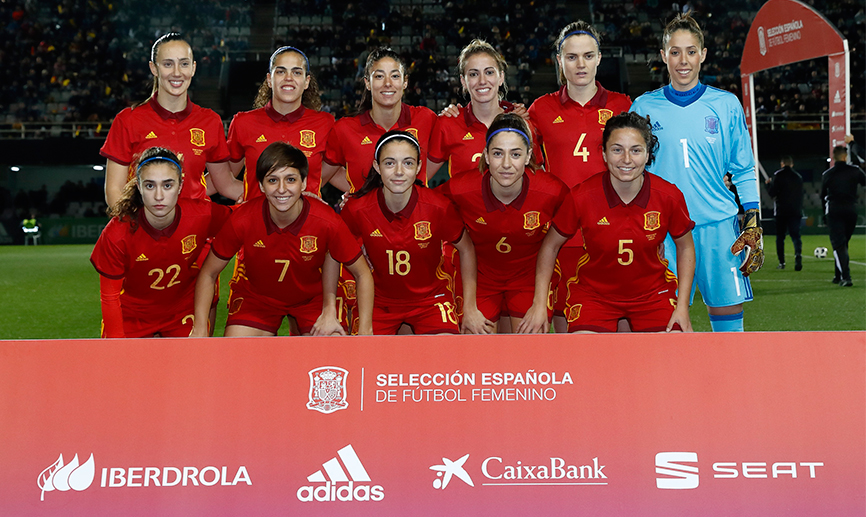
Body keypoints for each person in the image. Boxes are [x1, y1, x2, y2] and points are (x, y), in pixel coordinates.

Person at [631, 13, 762, 332]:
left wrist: (753, 221)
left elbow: (744, 169)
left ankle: (732, 382)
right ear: (663, 56)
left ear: (703, 54)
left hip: (718, 226)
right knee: (666, 324)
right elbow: (632, 173)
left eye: (691, 51)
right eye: (675, 52)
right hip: (664, 231)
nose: (683, 60)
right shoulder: (643, 108)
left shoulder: (726, 104)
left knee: (728, 323)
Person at [519, 112, 695, 333]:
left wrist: (682, 307)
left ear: (648, 153)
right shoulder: (582, 196)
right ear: (603, 153)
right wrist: (539, 303)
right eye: (617, 150)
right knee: (586, 358)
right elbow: (550, 245)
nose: (627, 159)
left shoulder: (668, 195)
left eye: (636, 150)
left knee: (669, 355)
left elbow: (685, 245)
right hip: (594, 295)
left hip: (652, 295)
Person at [190, 142, 374, 337]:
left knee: (331, 354)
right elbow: (209, 273)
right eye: (272, 180)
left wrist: (365, 332)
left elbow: (362, 274)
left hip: (312, 300)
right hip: (257, 299)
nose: (281, 189)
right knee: (238, 356)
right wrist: (200, 328)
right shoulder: (243, 219)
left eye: (291, 179)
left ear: (303, 183)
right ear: (261, 185)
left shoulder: (327, 220)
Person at [527, 21, 632, 332]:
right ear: (559, 60)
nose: (580, 64)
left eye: (588, 56)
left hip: (614, 232)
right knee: (565, 322)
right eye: (571, 57)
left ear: (599, 58)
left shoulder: (622, 105)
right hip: (564, 236)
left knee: (622, 322)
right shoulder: (540, 109)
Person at [341, 131, 489, 334]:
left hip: (430, 299)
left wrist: (470, 308)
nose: (399, 171)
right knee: (366, 359)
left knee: (446, 359)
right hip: (379, 301)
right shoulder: (357, 208)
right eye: (390, 163)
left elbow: (466, 249)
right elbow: (334, 252)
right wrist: (329, 307)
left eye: (408, 163)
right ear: (377, 166)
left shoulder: (438, 207)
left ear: (419, 167)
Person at [439, 113, 568, 332]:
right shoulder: (461, 188)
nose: (506, 164)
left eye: (515, 154)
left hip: (529, 275)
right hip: (479, 276)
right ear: (486, 155)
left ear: (528, 156)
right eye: (498, 153)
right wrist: (469, 308)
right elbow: (423, 207)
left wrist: (539, 304)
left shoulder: (552, 191)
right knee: (475, 341)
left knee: (531, 341)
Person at [90, 147, 231, 338]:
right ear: (139, 187)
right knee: (120, 366)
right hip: (133, 315)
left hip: (181, 311)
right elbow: (109, 296)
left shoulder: (202, 215)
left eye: (167, 185)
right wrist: (117, 345)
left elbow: (245, 220)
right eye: (150, 186)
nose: (158, 196)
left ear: (180, 186)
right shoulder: (117, 232)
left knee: (193, 366)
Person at [101, 33, 243, 207]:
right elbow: (114, 191)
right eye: (168, 64)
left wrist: (272, 197)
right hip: (145, 228)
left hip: (195, 230)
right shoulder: (127, 120)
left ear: (193, 68)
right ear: (154, 68)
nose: (177, 72)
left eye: (184, 64)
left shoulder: (210, 121)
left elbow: (226, 184)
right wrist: (140, 226)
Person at [322, 47, 437, 193]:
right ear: (367, 83)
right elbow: (321, 176)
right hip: (363, 216)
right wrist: (358, 194)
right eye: (379, 76)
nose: (388, 83)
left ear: (405, 82)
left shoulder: (425, 118)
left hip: (416, 216)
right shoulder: (345, 129)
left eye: (395, 76)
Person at [227, 46, 335, 199]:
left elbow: (336, 174)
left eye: (296, 72)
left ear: (306, 81)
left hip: (307, 220)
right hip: (257, 221)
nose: (288, 77)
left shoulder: (325, 123)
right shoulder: (242, 122)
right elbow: (223, 180)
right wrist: (249, 198)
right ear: (270, 80)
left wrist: (355, 196)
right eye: (281, 71)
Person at [427, 39, 541, 178]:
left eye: (489, 72)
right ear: (463, 81)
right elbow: (420, 179)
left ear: (501, 77)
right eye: (474, 74)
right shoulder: (448, 124)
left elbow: (539, 180)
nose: (482, 81)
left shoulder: (523, 123)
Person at [821, 145, 866, 287]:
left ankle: (846, 277)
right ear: (845, 156)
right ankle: (838, 275)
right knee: (843, 243)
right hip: (851, 210)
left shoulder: (827, 174)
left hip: (834, 210)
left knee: (839, 244)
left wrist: (824, 214)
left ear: (834, 157)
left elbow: (823, 196)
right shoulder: (855, 171)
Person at [766, 156, 804, 270]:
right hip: (795, 210)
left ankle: (782, 262)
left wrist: (768, 184)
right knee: (796, 236)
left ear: (782, 164)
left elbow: (772, 193)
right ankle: (798, 256)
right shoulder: (798, 177)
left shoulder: (778, 175)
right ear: (791, 164)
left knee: (780, 237)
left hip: (781, 211)